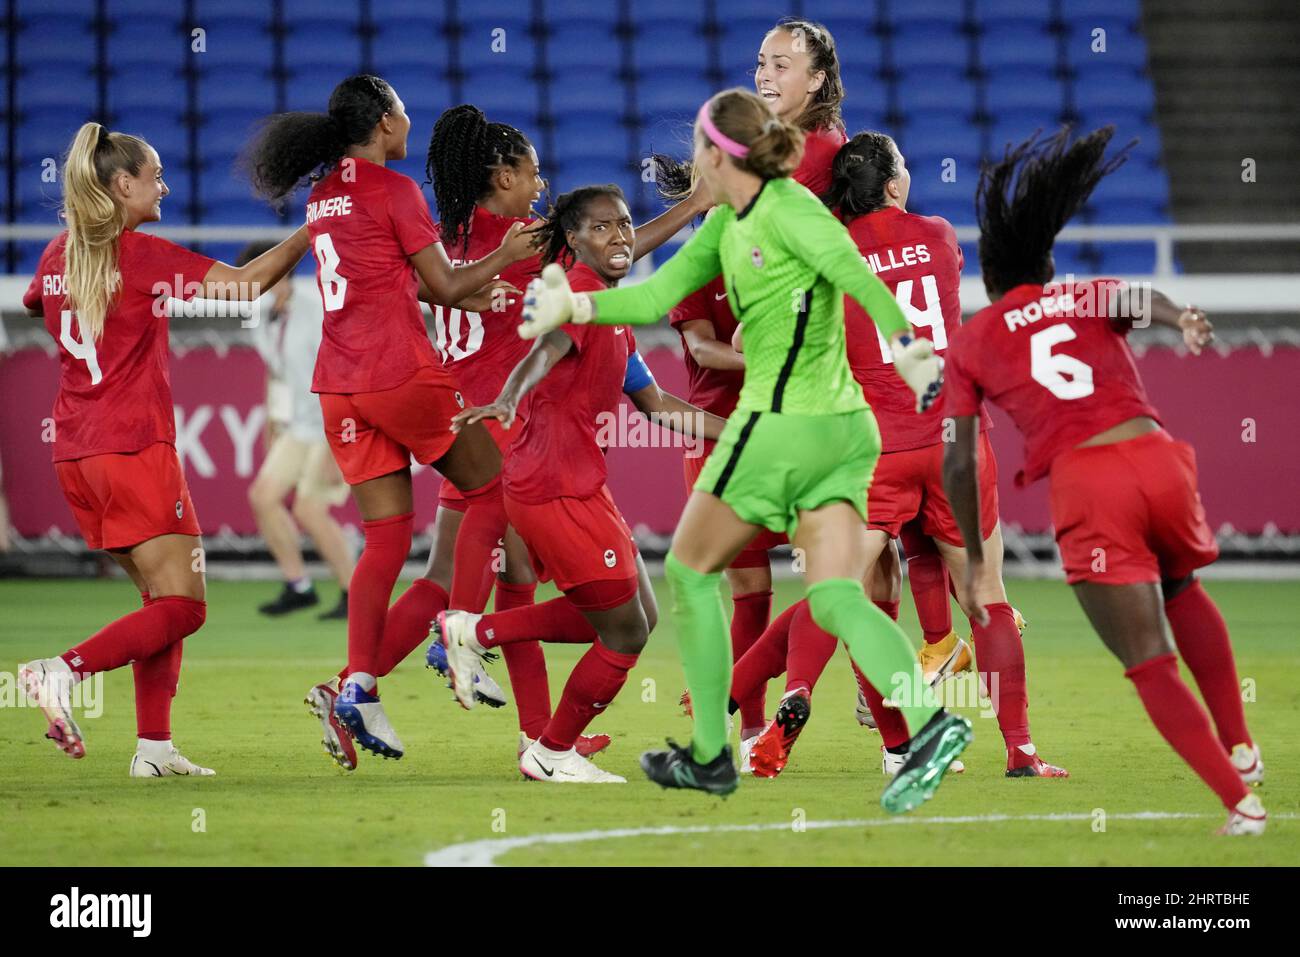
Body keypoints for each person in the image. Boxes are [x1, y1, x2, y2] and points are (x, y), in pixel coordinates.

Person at [514, 89, 967, 814]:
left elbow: (860, 281)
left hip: (790, 430)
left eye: (701, 150)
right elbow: (656, 292)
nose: (694, 162)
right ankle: (929, 728)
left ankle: (708, 756)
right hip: (841, 433)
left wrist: (909, 347)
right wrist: (579, 305)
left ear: (725, 156)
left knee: (689, 570)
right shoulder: (741, 221)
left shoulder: (785, 215)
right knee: (836, 594)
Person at [943, 126, 1265, 835]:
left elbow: (960, 459)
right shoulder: (1084, 296)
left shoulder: (974, 338)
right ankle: (1241, 747)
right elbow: (1142, 296)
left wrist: (972, 555)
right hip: (1159, 457)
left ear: (991, 277)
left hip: (1090, 483)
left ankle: (1240, 806)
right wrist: (1183, 318)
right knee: (1182, 587)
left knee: (1147, 661)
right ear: (1047, 267)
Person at [731, 131, 1066, 780]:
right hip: (951, 438)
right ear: (892, 186)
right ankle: (1021, 750)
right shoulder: (941, 236)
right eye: (904, 167)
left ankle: (793, 699)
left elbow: (754, 337)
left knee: (834, 590)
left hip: (872, 448)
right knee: (989, 596)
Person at [244, 74, 536, 766]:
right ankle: (458, 635)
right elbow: (440, 284)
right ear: (381, 122)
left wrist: (466, 296)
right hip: (399, 373)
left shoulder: (323, 197)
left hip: (340, 387)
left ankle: (362, 684)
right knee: (496, 489)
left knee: (384, 537)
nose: (410, 122)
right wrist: (505, 256)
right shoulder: (395, 191)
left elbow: (390, 280)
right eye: (403, 111)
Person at [413, 104, 715, 758]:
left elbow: (656, 399)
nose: (541, 186)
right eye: (533, 173)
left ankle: (530, 728)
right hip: (527, 455)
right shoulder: (540, 256)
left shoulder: (456, 240)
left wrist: (741, 426)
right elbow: (547, 345)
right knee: (615, 620)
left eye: (624, 223)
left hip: (508, 441)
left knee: (573, 596)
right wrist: (695, 205)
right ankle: (439, 657)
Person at [19, 121, 308, 776]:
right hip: (133, 447)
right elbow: (247, 284)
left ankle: (154, 748)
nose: (165, 186)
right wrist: (314, 230)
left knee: (160, 601)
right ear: (122, 185)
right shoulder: (138, 254)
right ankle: (60, 670)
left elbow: (40, 305)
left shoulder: (58, 253)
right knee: (186, 606)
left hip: (75, 452)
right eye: (154, 176)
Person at [241, 240, 355, 621]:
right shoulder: (260, 317)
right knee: (263, 496)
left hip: (329, 422)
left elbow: (342, 374)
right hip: (299, 425)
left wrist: (341, 441)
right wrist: (272, 423)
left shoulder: (313, 311)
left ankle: (354, 593)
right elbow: (277, 374)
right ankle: (298, 586)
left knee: (310, 510)